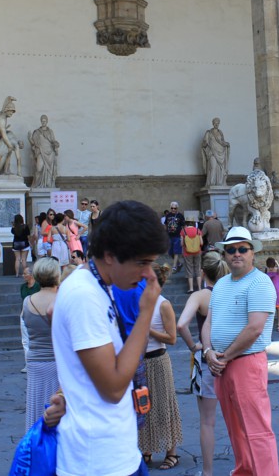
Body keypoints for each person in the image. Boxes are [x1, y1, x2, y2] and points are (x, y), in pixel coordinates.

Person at [51, 199, 166, 476]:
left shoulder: (101, 286)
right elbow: (113, 388)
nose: (148, 274)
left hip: (116, 452)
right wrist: (146, 312)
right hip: (99, 461)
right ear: (110, 255)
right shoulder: (84, 296)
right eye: (142, 263)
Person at [199, 226, 279, 475]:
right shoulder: (221, 284)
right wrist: (209, 352)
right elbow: (208, 322)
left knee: (256, 429)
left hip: (245, 361)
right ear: (224, 254)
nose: (236, 254)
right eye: (231, 249)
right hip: (222, 363)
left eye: (242, 249)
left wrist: (224, 356)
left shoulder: (260, 281)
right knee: (235, 428)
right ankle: (244, 471)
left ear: (252, 252)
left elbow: (255, 327)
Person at [176, 252, 230, 476]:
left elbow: (181, 325)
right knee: (238, 417)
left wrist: (193, 346)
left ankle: (207, 472)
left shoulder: (200, 296)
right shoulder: (231, 291)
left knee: (207, 422)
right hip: (231, 357)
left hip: (207, 358)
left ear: (202, 272)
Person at [138, 265, 183, 470]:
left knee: (165, 407)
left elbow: (172, 338)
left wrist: (150, 330)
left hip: (158, 360)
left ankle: (171, 453)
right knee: (142, 408)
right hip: (141, 361)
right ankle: (146, 449)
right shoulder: (140, 302)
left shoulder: (163, 305)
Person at [22, 257, 61, 431]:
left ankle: (36, 442)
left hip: (35, 361)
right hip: (57, 362)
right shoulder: (62, 300)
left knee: (36, 404)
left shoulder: (27, 301)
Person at [29, 114, 60, 188]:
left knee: (49, 170)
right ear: (40, 121)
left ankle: (48, 185)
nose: (43, 122)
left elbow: (53, 141)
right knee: (39, 168)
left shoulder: (50, 131)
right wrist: (29, 139)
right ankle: (37, 185)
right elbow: (33, 143)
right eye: (42, 121)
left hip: (50, 153)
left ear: (47, 121)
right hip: (41, 152)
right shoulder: (37, 132)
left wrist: (56, 144)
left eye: (45, 121)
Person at [201, 117, 230, 188]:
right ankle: (211, 183)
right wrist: (205, 144)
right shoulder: (208, 132)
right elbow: (204, 144)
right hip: (212, 152)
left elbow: (222, 142)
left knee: (220, 168)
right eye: (215, 123)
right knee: (213, 167)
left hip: (220, 153)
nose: (216, 124)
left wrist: (226, 144)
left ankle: (219, 183)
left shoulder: (220, 133)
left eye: (218, 123)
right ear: (213, 123)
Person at [182, 219, 204, 292]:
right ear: (194, 223)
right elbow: (201, 243)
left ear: (186, 223)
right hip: (197, 252)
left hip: (187, 252)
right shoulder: (198, 230)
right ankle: (199, 288)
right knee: (198, 268)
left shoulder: (183, 231)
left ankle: (191, 288)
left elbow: (181, 244)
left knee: (189, 269)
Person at [163, 202, 185, 272]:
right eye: (172, 208)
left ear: (177, 208)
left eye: (174, 208)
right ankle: (179, 263)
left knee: (176, 251)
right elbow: (165, 224)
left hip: (177, 236)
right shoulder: (168, 215)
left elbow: (183, 226)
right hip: (169, 236)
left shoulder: (180, 216)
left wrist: (183, 235)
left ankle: (174, 266)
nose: (173, 209)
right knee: (170, 253)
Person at [264, 257, 279, 332]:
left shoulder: (277, 269)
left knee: (278, 308)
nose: (271, 268)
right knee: (269, 309)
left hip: (277, 292)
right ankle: (268, 325)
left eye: (272, 267)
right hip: (269, 292)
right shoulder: (266, 270)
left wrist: (277, 263)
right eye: (269, 267)